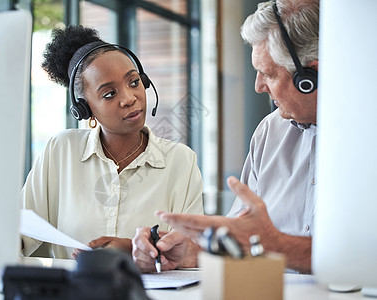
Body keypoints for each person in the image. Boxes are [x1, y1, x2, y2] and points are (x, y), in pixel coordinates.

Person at [132, 0, 318, 274]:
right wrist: (190, 252)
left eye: (268, 73)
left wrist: (278, 246)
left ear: (310, 76)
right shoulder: (270, 133)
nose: (257, 86)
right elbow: (239, 239)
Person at [21, 25, 204, 259]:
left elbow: (190, 250)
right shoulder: (61, 150)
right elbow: (21, 231)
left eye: (134, 82)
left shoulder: (181, 160)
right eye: (109, 94)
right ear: (85, 109)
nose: (129, 98)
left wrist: (131, 249)